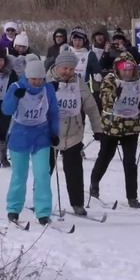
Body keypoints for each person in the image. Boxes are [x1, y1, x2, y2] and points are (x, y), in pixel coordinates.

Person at [1, 54, 59, 225]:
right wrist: (15, 97)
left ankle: (43, 212)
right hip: (20, 135)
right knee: (19, 174)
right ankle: (13, 209)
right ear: (27, 76)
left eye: (40, 79)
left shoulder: (48, 89)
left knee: (42, 174)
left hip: (41, 135)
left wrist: (55, 133)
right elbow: (6, 110)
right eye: (33, 79)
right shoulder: (17, 86)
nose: (36, 82)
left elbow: (53, 112)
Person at [48, 45, 103, 216]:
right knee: (45, 170)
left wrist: (98, 128)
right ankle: (39, 201)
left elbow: (91, 106)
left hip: (73, 134)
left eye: (71, 68)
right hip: (50, 135)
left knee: (75, 171)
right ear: (57, 67)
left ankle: (77, 203)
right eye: (65, 68)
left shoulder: (78, 82)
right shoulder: (45, 81)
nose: (68, 71)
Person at [90, 54, 140, 209]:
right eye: (124, 69)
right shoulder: (110, 80)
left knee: (130, 162)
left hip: (131, 127)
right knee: (105, 156)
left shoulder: (139, 83)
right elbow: (105, 101)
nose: (127, 72)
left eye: (130, 69)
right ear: (118, 68)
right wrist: (114, 94)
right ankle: (94, 183)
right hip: (112, 126)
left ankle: (132, 197)